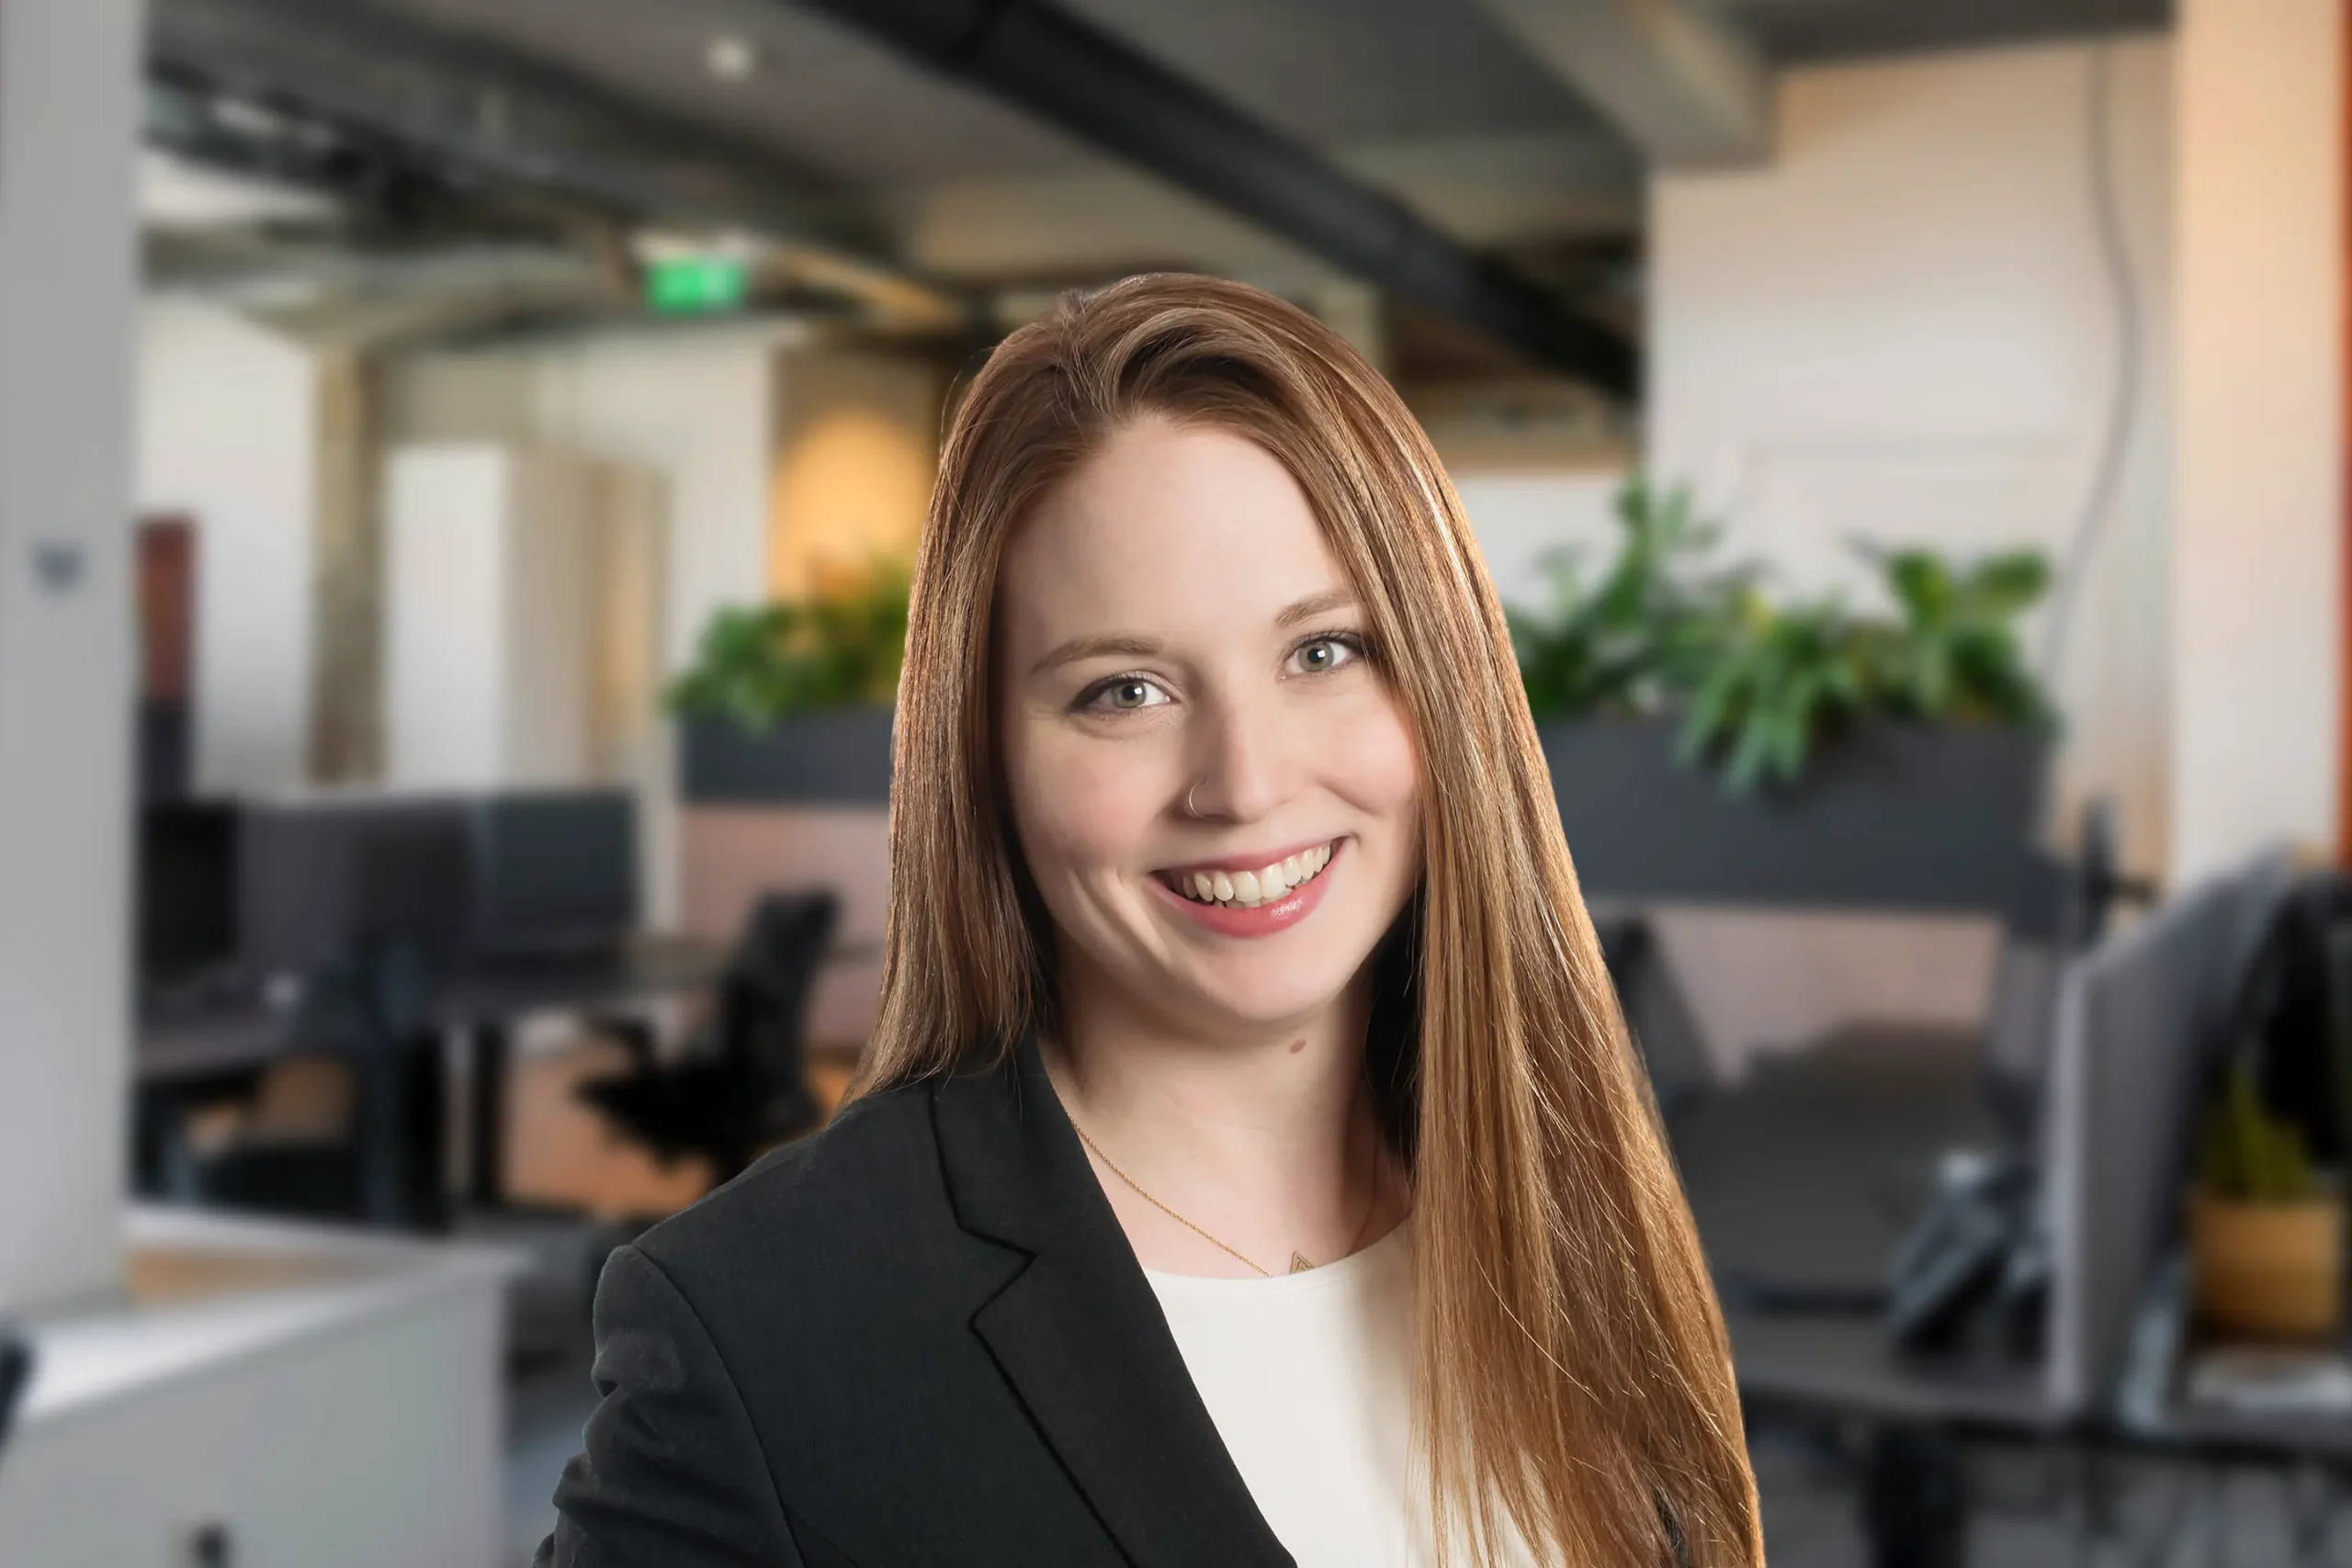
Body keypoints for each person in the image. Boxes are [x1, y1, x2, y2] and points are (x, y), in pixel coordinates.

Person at [536, 275, 1760, 1568]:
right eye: (1124, 688)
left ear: (1444, 682)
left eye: (1325, 651)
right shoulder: (764, 1333)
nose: (1245, 781)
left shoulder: (1569, 1205)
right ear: (988, 757)